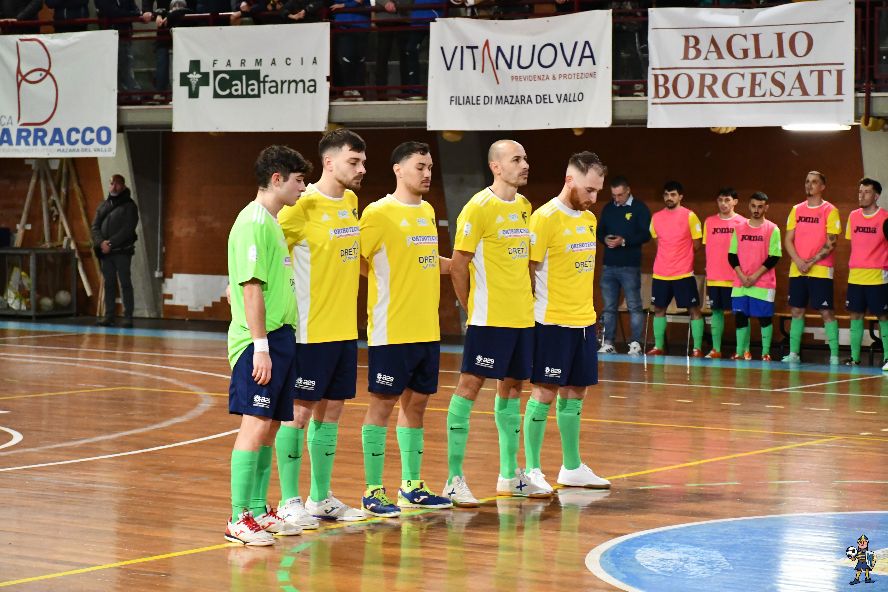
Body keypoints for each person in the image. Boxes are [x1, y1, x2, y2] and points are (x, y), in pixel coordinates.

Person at [444, 139, 549, 507]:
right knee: (469, 387)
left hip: (522, 318)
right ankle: (454, 479)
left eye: (525, 157)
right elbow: (459, 264)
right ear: (496, 167)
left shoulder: (523, 206)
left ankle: (509, 474)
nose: (525, 164)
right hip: (489, 319)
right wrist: (470, 307)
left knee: (514, 388)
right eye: (516, 159)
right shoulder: (477, 207)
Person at [357, 141, 454, 517]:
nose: (427, 173)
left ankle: (411, 486)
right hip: (391, 329)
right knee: (381, 406)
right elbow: (358, 260)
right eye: (419, 166)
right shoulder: (378, 213)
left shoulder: (428, 211)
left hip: (427, 329)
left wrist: (460, 264)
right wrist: (386, 278)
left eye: (430, 167)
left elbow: (426, 258)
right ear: (398, 169)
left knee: (417, 406)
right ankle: (371, 490)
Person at [275, 129, 366, 523]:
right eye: (354, 162)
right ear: (329, 162)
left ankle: (320, 498)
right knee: (298, 415)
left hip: (345, 330)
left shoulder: (350, 201)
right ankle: (289, 501)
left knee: (332, 413)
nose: (361, 169)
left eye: (363, 162)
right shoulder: (301, 206)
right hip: (310, 331)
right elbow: (265, 245)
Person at [224, 145, 311, 545]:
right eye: (298, 179)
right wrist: (259, 345)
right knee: (255, 425)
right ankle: (238, 517)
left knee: (271, 426)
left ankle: (258, 509)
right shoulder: (253, 222)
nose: (303, 187)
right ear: (277, 178)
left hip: (281, 337)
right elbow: (250, 288)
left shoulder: (273, 222)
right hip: (260, 342)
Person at [524, 151, 612, 494]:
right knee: (544, 392)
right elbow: (528, 271)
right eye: (589, 190)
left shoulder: (589, 220)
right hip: (550, 321)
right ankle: (531, 469)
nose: (593, 198)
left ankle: (571, 467)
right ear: (570, 180)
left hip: (583, 321)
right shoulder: (544, 218)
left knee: (577, 392)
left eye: (598, 192)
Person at [782, 171, 842, 364]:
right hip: (797, 269)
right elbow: (788, 240)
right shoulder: (796, 209)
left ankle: (834, 355)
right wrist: (799, 261)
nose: (809, 185)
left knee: (826, 312)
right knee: (796, 311)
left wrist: (811, 261)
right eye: (807, 181)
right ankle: (793, 354)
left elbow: (831, 242)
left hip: (821, 269)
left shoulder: (830, 210)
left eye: (814, 182)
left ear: (822, 187)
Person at [647, 181, 704, 356]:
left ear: (680, 197)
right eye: (666, 194)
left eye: (673, 194)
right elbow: (659, 242)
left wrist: (682, 256)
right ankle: (658, 346)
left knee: (693, 309)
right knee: (658, 310)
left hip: (683, 273)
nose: (669, 198)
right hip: (661, 273)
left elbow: (697, 244)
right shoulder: (656, 217)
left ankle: (697, 348)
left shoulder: (690, 216)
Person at [597, 175, 651, 355]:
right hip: (609, 265)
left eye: (619, 195)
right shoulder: (608, 208)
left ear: (628, 191)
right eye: (613, 195)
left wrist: (624, 241)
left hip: (630, 265)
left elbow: (646, 234)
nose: (616, 199)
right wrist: (605, 239)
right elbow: (600, 231)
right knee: (609, 306)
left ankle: (635, 343)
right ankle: (609, 342)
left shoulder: (640, 208)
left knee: (634, 305)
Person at [728, 192, 781, 361]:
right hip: (740, 282)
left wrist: (754, 277)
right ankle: (742, 351)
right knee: (741, 317)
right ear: (749, 206)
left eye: (760, 206)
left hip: (763, 283)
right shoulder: (739, 228)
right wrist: (742, 276)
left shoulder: (773, 229)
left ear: (766, 207)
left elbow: (774, 257)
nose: (756, 210)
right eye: (753, 206)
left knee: (764, 318)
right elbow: (732, 255)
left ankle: (766, 352)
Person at [843, 178, 888, 368]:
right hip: (855, 276)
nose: (861, 195)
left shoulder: (886, 218)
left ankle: (887, 358)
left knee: (883, 317)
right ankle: (854, 358)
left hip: (878, 276)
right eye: (860, 191)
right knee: (855, 316)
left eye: (866, 192)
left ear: (876, 196)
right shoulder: (853, 216)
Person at [702, 187, 746, 358]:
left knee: (740, 314)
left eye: (727, 200)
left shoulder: (743, 223)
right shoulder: (709, 222)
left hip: (736, 277)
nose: (723, 203)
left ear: (735, 202)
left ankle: (743, 350)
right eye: (720, 200)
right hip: (714, 277)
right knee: (716, 312)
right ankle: (716, 349)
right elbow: (709, 248)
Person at [91, 174, 139, 328]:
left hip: (122, 252)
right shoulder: (103, 205)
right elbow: (95, 227)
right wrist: (101, 243)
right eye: (112, 184)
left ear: (123, 186)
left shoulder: (130, 206)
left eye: (118, 184)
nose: (114, 187)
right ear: (109, 185)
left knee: (125, 283)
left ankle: (128, 317)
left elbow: (128, 229)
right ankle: (109, 316)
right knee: (109, 284)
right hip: (106, 253)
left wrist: (110, 243)